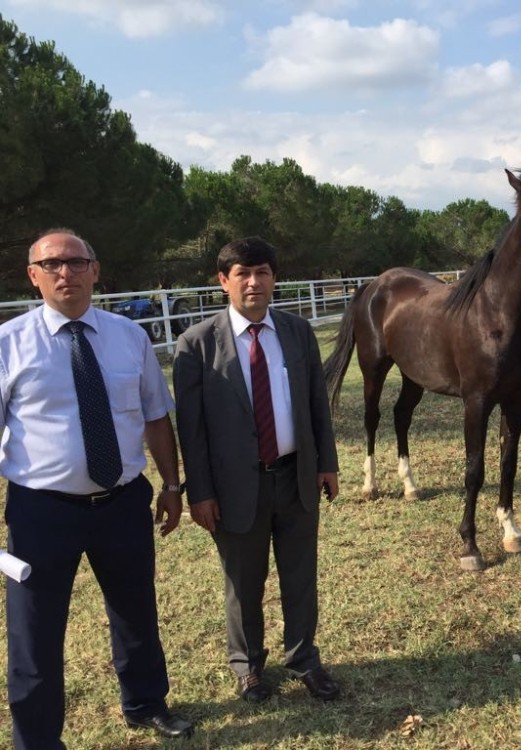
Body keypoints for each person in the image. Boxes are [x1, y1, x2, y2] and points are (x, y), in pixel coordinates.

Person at [0, 230, 194, 748]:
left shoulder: (129, 336)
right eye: (53, 264)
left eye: (76, 262)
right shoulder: (8, 344)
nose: (66, 273)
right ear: (33, 275)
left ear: (95, 270)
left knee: (136, 611)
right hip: (40, 511)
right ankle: (38, 739)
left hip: (123, 503)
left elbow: (156, 415)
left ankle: (146, 702)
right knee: (35, 632)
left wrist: (172, 485)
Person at [173, 237, 340, 704]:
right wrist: (199, 492)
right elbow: (193, 430)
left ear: (274, 278)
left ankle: (305, 657)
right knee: (243, 582)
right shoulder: (196, 345)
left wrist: (326, 463)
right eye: (242, 273)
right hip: (233, 488)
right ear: (223, 281)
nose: (254, 282)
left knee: (301, 575)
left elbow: (315, 406)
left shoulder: (296, 332)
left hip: (296, 477)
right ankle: (248, 668)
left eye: (262, 271)